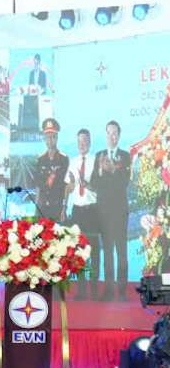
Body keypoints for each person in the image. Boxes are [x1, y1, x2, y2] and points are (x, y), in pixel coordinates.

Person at [91, 119, 131, 300]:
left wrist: (113, 169)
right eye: (109, 133)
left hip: (120, 210)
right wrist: (100, 170)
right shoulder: (99, 155)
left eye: (115, 133)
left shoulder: (125, 156)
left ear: (119, 135)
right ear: (105, 135)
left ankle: (122, 290)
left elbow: (124, 182)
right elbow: (94, 183)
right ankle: (108, 289)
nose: (112, 136)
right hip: (103, 212)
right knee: (107, 250)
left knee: (121, 250)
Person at [65, 128, 100, 299]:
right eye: (79, 142)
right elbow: (69, 188)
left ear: (90, 142)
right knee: (78, 251)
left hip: (92, 210)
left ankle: (94, 289)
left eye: (85, 141)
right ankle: (81, 289)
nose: (82, 144)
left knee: (93, 251)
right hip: (77, 211)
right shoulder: (72, 162)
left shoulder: (96, 161)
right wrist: (71, 184)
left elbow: (100, 188)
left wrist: (88, 185)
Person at [33, 117, 69, 223]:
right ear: (44, 139)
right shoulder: (40, 160)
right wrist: (36, 209)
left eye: (53, 137)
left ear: (56, 138)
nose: (50, 140)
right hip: (42, 208)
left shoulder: (63, 159)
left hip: (57, 207)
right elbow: (38, 187)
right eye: (47, 137)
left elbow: (66, 186)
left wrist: (64, 208)